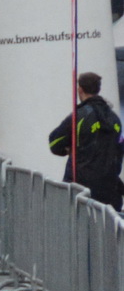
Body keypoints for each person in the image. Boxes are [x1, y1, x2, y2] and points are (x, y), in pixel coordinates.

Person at [47, 71, 124, 209]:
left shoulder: (79, 116)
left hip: (82, 189)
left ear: (80, 89)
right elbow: (119, 150)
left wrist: (68, 148)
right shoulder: (114, 119)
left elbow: (54, 143)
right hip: (110, 189)